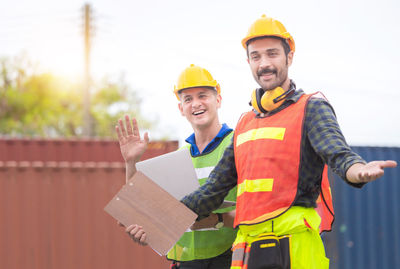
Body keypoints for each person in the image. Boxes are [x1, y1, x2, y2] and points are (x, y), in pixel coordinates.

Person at [179, 15, 398, 269]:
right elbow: (211, 191)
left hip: (293, 250)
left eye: (272, 54)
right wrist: (157, 214)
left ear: (289, 57)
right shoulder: (245, 123)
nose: (264, 64)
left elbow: (338, 153)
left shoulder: (311, 108)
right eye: (256, 56)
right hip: (247, 251)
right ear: (248, 61)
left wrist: (358, 170)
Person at [115, 64, 238, 269]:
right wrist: (131, 162)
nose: (196, 104)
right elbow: (140, 208)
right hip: (184, 263)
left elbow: (255, 213)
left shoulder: (237, 144)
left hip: (229, 260)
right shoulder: (178, 160)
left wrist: (216, 220)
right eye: (188, 99)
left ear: (218, 100)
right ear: (181, 108)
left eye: (202, 95)